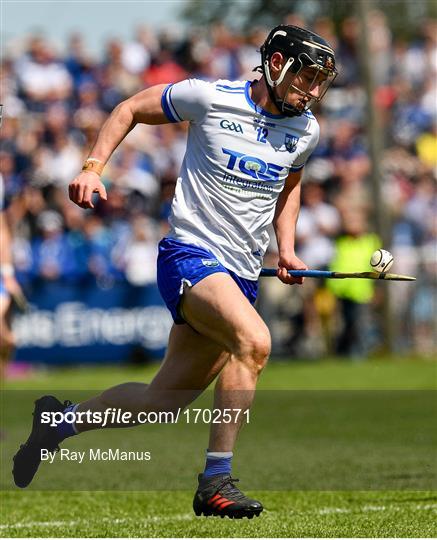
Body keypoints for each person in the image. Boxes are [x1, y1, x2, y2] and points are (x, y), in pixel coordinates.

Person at [13, 25, 337, 519]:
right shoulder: (207, 96)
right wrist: (94, 167)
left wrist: (286, 249)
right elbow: (128, 109)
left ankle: (58, 423)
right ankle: (216, 480)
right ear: (275, 65)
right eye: (306, 78)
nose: (312, 91)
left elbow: (290, 184)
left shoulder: (306, 129)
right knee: (254, 342)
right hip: (189, 255)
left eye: (320, 82)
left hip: (243, 272)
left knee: (162, 401)